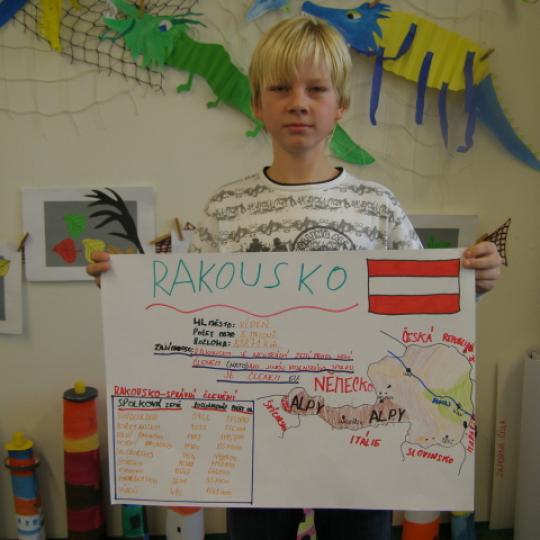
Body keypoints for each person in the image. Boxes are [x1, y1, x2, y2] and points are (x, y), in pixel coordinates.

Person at [87, 15, 502, 540]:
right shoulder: (227, 208)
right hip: (257, 439)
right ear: (257, 105)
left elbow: (421, 311)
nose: (298, 103)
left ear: (340, 105)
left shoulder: (376, 206)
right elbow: (194, 320)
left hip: (359, 436)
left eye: (316, 89)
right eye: (280, 88)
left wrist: (473, 285)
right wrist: (124, 291)